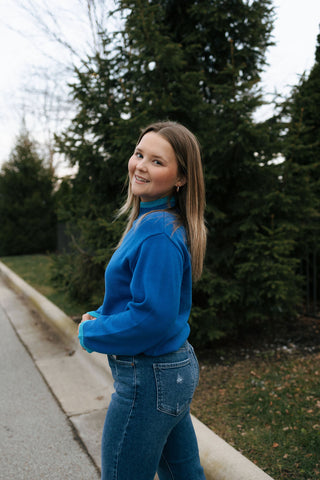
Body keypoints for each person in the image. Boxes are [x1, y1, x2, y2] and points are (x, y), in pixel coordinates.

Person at [78, 121, 207, 480]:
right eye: (139, 154)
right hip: (169, 372)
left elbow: (151, 318)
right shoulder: (152, 220)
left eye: (157, 161)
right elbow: (138, 299)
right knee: (185, 475)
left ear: (180, 178)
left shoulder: (157, 233)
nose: (140, 166)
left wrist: (92, 333)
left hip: (150, 378)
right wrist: (101, 315)